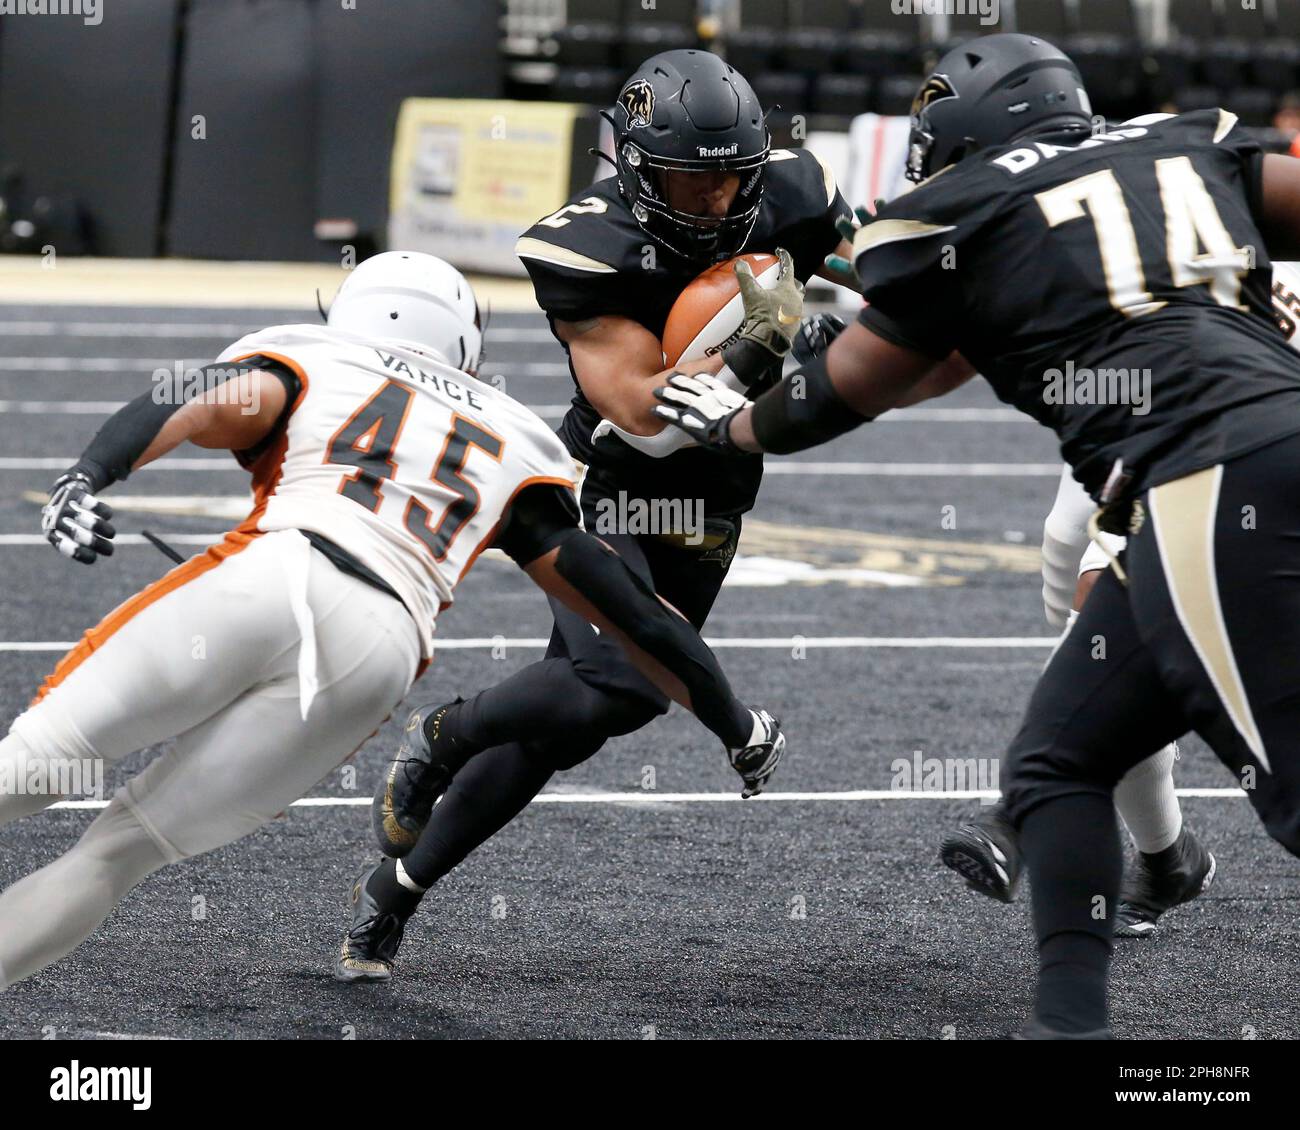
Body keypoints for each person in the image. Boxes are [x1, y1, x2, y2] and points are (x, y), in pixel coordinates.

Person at [654, 34, 1300, 1037]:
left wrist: (730, 421)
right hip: (1227, 461)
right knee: (1055, 764)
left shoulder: (956, 207)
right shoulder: (1179, 142)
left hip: (1208, 477)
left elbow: (843, 392)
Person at [0, 251, 780, 990]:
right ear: (466, 348)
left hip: (275, 573)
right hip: (378, 653)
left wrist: (88, 475)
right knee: (118, 855)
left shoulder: (312, 356)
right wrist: (733, 720)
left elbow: (199, 399)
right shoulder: (510, 436)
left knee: (30, 768)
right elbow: (634, 615)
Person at [333, 49, 853, 982]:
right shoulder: (585, 249)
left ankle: (391, 897)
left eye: (735, 176)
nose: (719, 200)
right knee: (628, 684)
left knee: (574, 721)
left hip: (717, 492)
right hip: (608, 480)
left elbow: (870, 273)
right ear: (638, 169)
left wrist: (851, 310)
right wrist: (760, 341)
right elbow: (648, 423)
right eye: (693, 185)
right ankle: (441, 735)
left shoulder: (796, 190)